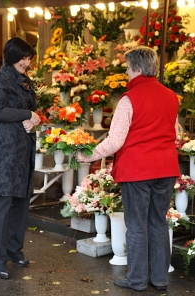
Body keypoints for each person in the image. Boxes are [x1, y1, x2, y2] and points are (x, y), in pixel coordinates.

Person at [77, 46, 180, 291]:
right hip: (165, 168)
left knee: (136, 225)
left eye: (127, 67)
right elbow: (175, 133)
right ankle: (160, 278)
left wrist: (86, 155)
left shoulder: (128, 99)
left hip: (138, 170)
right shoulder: (170, 96)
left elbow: (115, 141)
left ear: (137, 68)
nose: (126, 71)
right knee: (157, 222)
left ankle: (136, 280)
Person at [0, 37, 40, 279]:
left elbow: (30, 115)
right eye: (23, 57)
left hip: (23, 151)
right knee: (2, 207)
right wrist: (28, 113)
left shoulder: (24, 80)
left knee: (21, 205)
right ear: (12, 56)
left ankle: (14, 251)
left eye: (29, 57)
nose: (27, 61)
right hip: (4, 153)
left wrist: (32, 123)